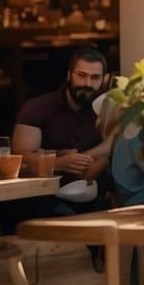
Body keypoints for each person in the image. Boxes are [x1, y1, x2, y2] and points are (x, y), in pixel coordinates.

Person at [12, 46, 110, 185]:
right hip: (46, 194)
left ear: (104, 80)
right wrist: (58, 162)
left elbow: (111, 147)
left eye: (95, 77)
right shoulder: (37, 108)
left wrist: (84, 157)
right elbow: (19, 158)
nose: (87, 84)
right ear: (69, 75)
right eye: (81, 75)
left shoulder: (108, 109)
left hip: (95, 194)